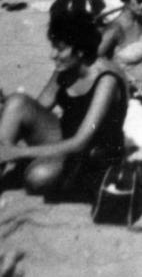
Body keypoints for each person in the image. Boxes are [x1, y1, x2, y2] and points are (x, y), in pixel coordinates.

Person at [0, 10, 127, 194]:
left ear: (81, 51)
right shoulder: (65, 69)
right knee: (16, 102)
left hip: (95, 151)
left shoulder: (106, 80)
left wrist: (19, 153)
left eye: (59, 48)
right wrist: (5, 108)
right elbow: (38, 107)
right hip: (66, 134)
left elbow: (81, 142)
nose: (52, 54)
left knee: (36, 177)